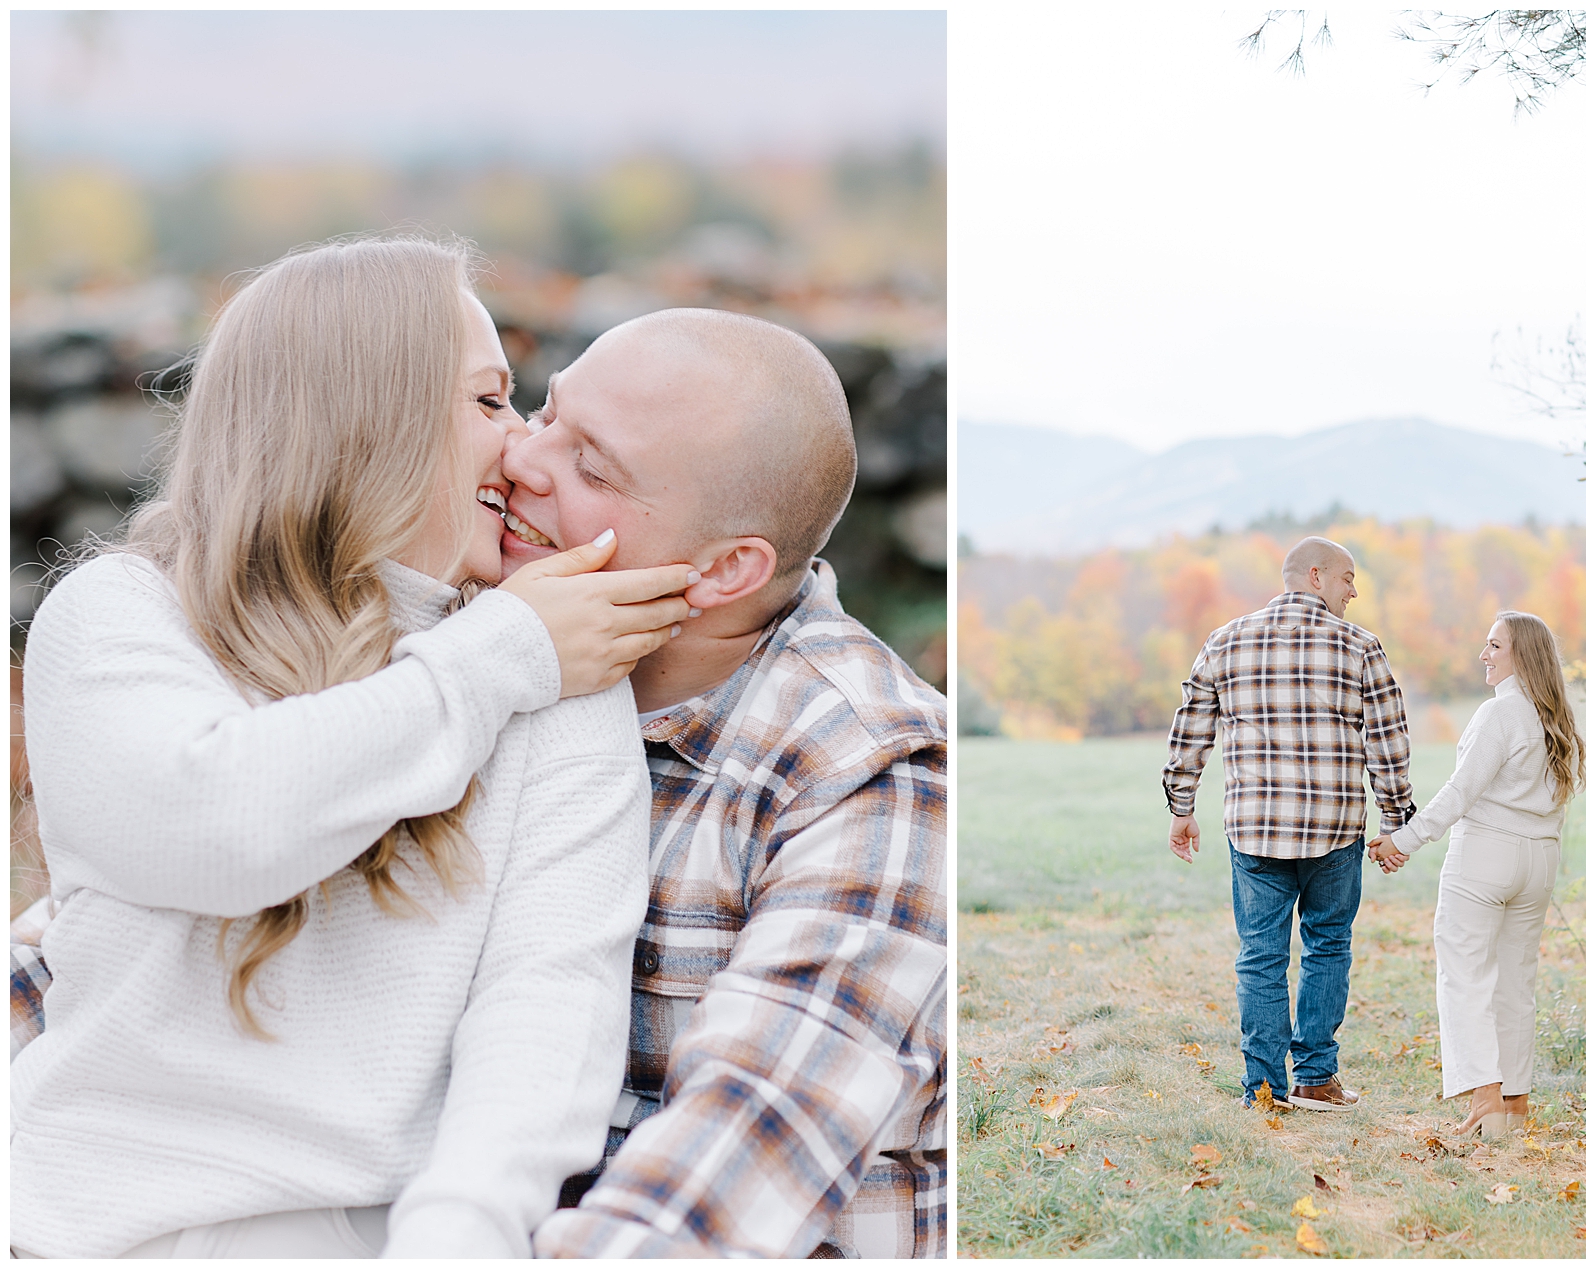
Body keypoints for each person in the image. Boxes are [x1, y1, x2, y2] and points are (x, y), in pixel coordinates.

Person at [9, 236, 700, 1258]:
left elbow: (548, 1007)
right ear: (364, 415)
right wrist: (494, 659)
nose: (518, 447)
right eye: (486, 401)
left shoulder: (553, 676)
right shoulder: (119, 615)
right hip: (66, 1230)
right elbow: (215, 830)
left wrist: (456, 1241)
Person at [492, 309, 947, 1259]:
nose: (524, 462)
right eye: (545, 413)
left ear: (723, 570)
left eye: (593, 467)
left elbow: (742, 1151)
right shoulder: (496, 659)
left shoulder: (873, 768)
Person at [1163, 536, 1415, 1112]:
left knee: (1260, 956)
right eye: (1349, 578)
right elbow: (1389, 743)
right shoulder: (1360, 647)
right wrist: (1396, 819)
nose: (1355, 590)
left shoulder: (1225, 640)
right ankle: (1316, 1079)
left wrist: (1182, 808)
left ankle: (1264, 1090)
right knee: (1327, 946)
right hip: (1333, 830)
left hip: (1255, 829)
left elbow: (1191, 731)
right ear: (1317, 575)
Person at [1369, 610, 1586, 1139]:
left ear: (1522, 655)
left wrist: (1404, 839)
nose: (1484, 655)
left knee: (1464, 977)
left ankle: (1486, 1102)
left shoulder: (1500, 715)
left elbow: (1459, 793)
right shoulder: (1552, 718)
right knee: (1516, 984)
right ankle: (1514, 1110)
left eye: (1494, 646)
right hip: (1539, 862)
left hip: (1486, 858)